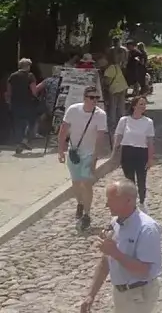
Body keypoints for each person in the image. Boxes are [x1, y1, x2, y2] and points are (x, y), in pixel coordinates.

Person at [80, 178, 162, 313]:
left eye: (111, 200)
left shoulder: (146, 228)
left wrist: (115, 253)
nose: (106, 204)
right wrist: (91, 294)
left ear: (129, 200)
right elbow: (105, 262)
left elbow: (144, 270)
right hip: (120, 293)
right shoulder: (115, 223)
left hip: (139, 294)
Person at [58, 85, 109, 232]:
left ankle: (87, 213)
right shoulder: (73, 110)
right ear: (84, 98)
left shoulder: (100, 114)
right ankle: (80, 203)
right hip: (74, 152)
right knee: (76, 182)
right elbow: (63, 130)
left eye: (96, 98)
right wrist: (60, 150)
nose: (94, 101)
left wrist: (95, 157)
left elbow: (100, 138)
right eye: (91, 97)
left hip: (89, 153)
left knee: (86, 183)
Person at [112, 97, 155, 209]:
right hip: (127, 151)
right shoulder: (124, 120)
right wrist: (114, 151)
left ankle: (142, 201)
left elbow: (150, 141)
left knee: (141, 179)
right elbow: (118, 135)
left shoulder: (148, 122)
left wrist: (150, 158)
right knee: (129, 180)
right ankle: (131, 202)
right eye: (141, 104)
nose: (143, 106)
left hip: (141, 152)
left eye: (144, 104)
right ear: (134, 106)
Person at [6, 58, 38, 155]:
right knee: (31, 122)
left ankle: (18, 143)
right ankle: (25, 140)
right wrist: (37, 97)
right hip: (28, 103)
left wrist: (9, 101)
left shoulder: (13, 76)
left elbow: (9, 90)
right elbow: (34, 90)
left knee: (18, 123)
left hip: (16, 103)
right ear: (28, 66)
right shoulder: (30, 76)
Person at [102, 51, 129, 138]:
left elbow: (107, 81)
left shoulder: (109, 69)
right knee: (121, 106)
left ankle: (113, 124)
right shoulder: (116, 66)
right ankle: (123, 123)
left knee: (113, 106)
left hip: (114, 89)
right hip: (123, 87)